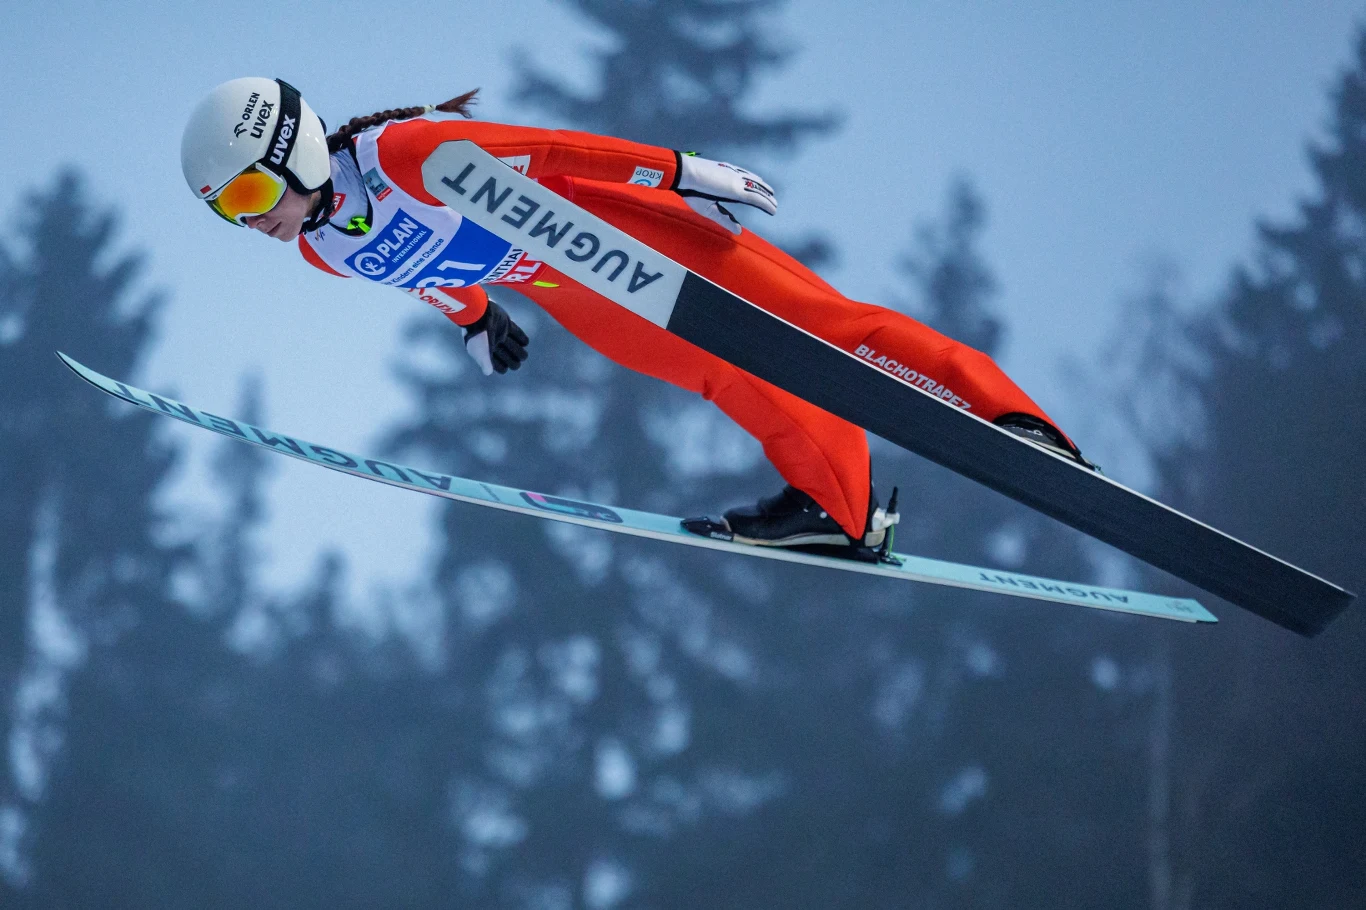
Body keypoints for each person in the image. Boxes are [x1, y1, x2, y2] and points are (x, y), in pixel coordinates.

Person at [180, 77, 1093, 559]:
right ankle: (837, 506)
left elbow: (553, 149)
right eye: (229, 211)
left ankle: (1012, 421)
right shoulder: (320, 245)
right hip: (565, 286)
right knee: (727, 371)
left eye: (254, 189)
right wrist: (471, 319)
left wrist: (677, 169)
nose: (253, 218)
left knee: (818, 326)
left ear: (292, 151)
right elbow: (412, 268)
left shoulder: (408, 153)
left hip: (615, 230)